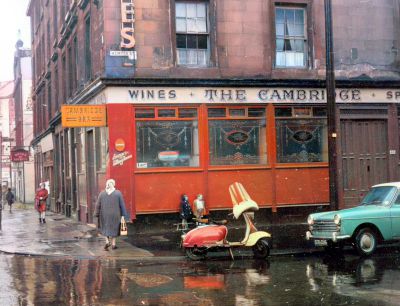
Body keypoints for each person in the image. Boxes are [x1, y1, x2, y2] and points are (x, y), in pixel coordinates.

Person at [94, 179, 129, 251]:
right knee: (114, 229)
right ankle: (113, 244)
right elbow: (122, 205)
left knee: (105, 228)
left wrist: (96, 214)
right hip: (115, 214)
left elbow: (98, 205)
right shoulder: (118, 193)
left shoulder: (102, 193)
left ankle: (107, 242)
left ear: (106, 184)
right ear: (113, 184)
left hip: (104, 214)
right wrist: (124, 215)